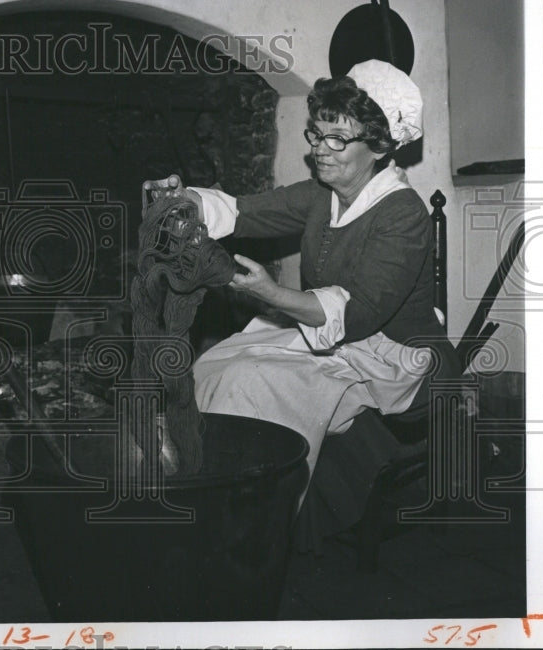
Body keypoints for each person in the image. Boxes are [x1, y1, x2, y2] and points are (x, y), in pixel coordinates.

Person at [142, 60, 456, 501]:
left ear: (381, 146)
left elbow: (357, 315)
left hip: (397, 358)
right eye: (316, 134)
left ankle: (252, 512)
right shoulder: (321, 194)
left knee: (247, 382)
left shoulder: (403, 215)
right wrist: (183, 198)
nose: (320, 150)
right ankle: (207, 489)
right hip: (338, 342)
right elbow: (244, 211)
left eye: (337, 139)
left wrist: (270, 293)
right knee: (211, 365)